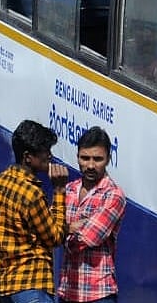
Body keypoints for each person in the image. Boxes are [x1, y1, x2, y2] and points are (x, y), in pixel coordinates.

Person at [0, 120, 69, 303]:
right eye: (45, 151)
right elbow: (55, 237)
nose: (49, 156)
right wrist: (59, 191)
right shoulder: (32, 194)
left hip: (7, 287)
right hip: (33, 287)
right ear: (28, 157)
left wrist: (5, 266)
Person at [57, 127, 125, 303]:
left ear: (108, 159)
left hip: (98, 294)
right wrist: (70, 228)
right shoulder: (69, 189)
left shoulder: (113, 195)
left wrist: (61, 232)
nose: (90, 165)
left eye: (98, 159)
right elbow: (47, 229)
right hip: (67, 291)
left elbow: (89, 238)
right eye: (85, 158)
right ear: (77, 157)